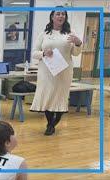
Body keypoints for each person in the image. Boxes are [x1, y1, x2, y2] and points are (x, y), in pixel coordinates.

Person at [30, 7, 82, 135]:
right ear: (52, 17)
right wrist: (43, 53)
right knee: (48, 98)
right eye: (58, 14)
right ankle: (50, 125)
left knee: (60, 99)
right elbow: (34, 53)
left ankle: (52, 124)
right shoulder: (44, 34)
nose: (61, 16)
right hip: (46, 72)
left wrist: (78, 43)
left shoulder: (70, 33)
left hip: (64, 72)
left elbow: (75, 53)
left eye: (63, 14)